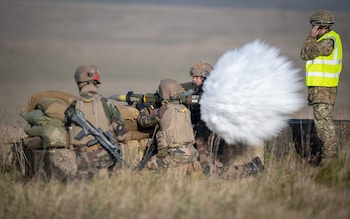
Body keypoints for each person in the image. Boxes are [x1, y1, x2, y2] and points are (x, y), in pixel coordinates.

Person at [184, 61, 265, 178]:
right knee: (210, 170)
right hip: (206, 137)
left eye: (197, 77)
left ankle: (252, 167)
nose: (194, 80)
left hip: (215, 138)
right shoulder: (201, 91)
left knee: (211, 171)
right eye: (193, 77)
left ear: (205, 77)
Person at [65, 65, 126, 179]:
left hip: (82, 157)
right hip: (105, 154)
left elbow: (67, 129)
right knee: (117, 154)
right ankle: (116, 185)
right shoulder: (107, 103)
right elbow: (122, 135)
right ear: (96, 81)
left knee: (83, 185)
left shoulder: (72, 108)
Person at [300, 9, 343, 163]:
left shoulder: (328, 41)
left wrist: (311, 37)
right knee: (322, 125)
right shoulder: (326, 40)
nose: (313, 29)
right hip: (320, 89)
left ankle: (331, 161)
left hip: (324, 89)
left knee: (324, 127)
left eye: (315, 26)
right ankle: (330, 160)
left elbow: (306, 54)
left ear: (321, 26)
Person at [137, 78, 201, 175]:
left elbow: (143, 122)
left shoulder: (163, 111)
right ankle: (192, 166)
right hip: (192, 152)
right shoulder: (185, 109)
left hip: (176, 154)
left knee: (144, 170)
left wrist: (143, 110)